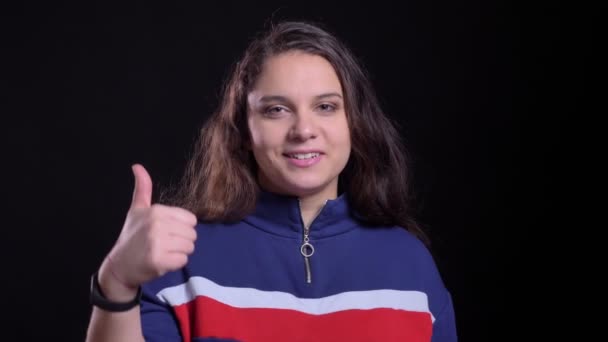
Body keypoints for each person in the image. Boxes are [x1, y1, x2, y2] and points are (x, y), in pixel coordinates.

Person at [85, 20, 457, 342]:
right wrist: (117, 280)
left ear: (354, 123)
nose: (304, 130)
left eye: (325, 106)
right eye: (276, 110)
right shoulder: (177, 256)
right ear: (243, 130)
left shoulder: (410, 264)